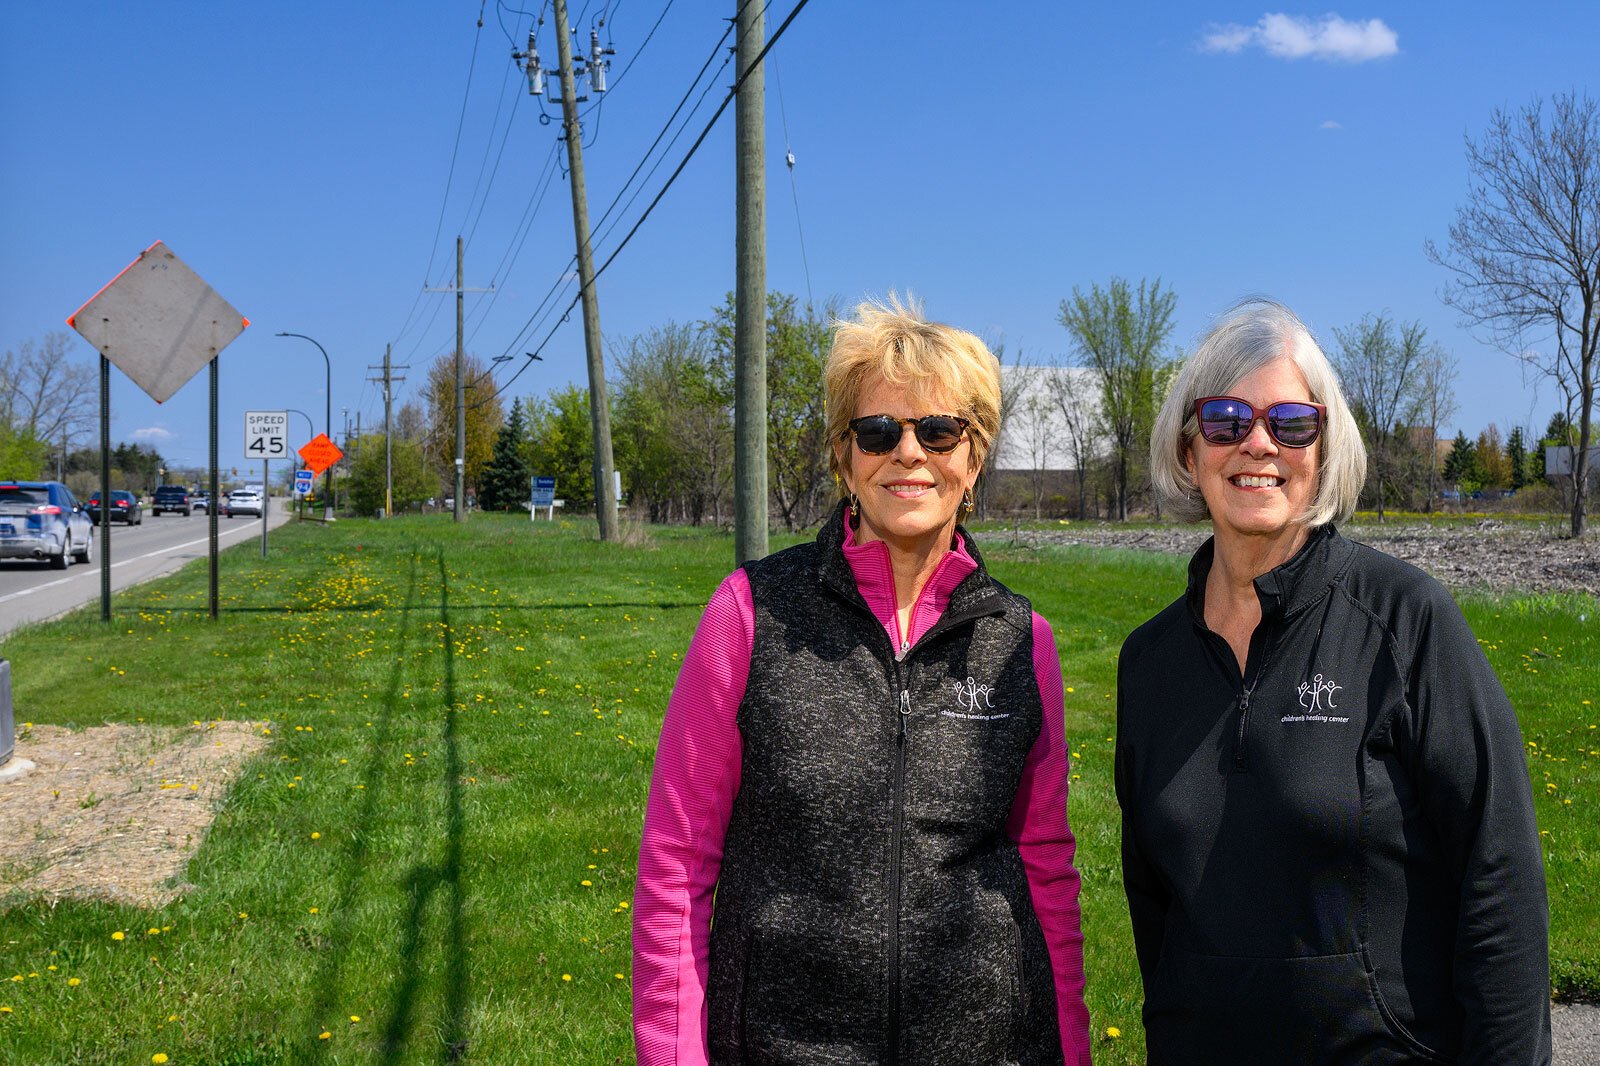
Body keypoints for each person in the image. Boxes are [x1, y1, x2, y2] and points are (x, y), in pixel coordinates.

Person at [633, 298, 1092, 1065]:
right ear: (845, 460)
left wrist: (1071, 1053)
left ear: (973, 460)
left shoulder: (1021, 642)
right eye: (877, 432)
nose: (907, 453)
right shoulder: (749, 615)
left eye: (938, 430)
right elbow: (675, 866)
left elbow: (1047, 867)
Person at [1116, 298, 1550, 1064]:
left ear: (1322, 446)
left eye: (1291, 422)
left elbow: (1500, 874)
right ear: (1189, 451)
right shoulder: (1149, 664)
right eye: (1225, 420)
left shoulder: (1407, 621)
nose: (1259, 445)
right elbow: (1155, 905)